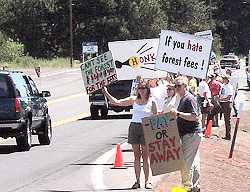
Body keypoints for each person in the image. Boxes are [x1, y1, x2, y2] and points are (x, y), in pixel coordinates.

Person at [102, 81, 157, 189]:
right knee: (136, 156)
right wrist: (106, 93)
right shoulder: (133, 99)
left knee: (145, 156)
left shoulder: (152, 101)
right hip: (134, 127)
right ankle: (137, 181)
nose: (141, 90)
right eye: (140, 88)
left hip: (146, 127)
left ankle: (147, 181)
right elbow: (117, 102)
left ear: (147, 89)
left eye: (144, 88)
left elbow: (156, 116)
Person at [170, 76, 202, 192]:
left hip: (191, 134)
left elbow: (195, 117)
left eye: (179, 85)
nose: (176, 88)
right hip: (190, 134)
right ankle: (195, 187)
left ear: (185, 86)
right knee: (194, 161)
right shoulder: (183, 98)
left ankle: (187, 187)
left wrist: (178, 113)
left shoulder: (189, 99)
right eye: (175, 86)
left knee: (186, 163)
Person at [219, 75, 234, 140]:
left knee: (227, 120)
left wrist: (221, 100)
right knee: (212, 112)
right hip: (222, 103)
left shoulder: (229, 87)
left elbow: (229, 97)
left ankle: (228, 136)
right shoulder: (223, 85)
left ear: (227, 80)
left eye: (224, 78)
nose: (223, 79)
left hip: (226, 104)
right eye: (223, 78)